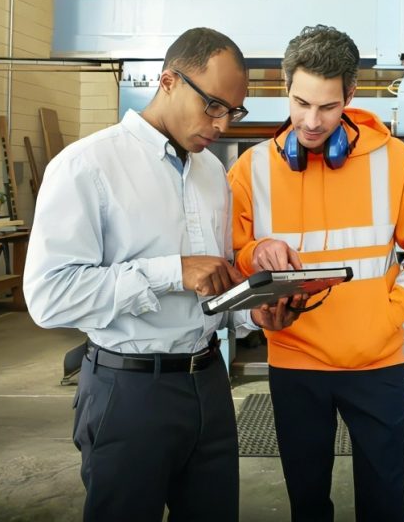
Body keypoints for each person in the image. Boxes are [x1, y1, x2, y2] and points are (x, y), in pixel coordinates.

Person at [23, 27, 300, 522]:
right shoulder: (88, 165)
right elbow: (49, 296)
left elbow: (211, 287)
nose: (221, 124)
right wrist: (170, 271)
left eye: (232, 112)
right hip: (128, 392)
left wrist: (253, 317)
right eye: (213, 105)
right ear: (169, 81)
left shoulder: (211, 173)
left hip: (210, 385)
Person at [228, 25, 404, 521]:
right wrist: (257, 252)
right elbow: (235, 255)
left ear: (350, 95)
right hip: (294, 360)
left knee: (385, 500)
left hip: (377, 362)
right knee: (306, 502)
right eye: (301, 103)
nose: (310, 120)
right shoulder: (251, 169)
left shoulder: (394, 160)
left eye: (327, 106)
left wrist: (392, 315)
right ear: (285, 88)